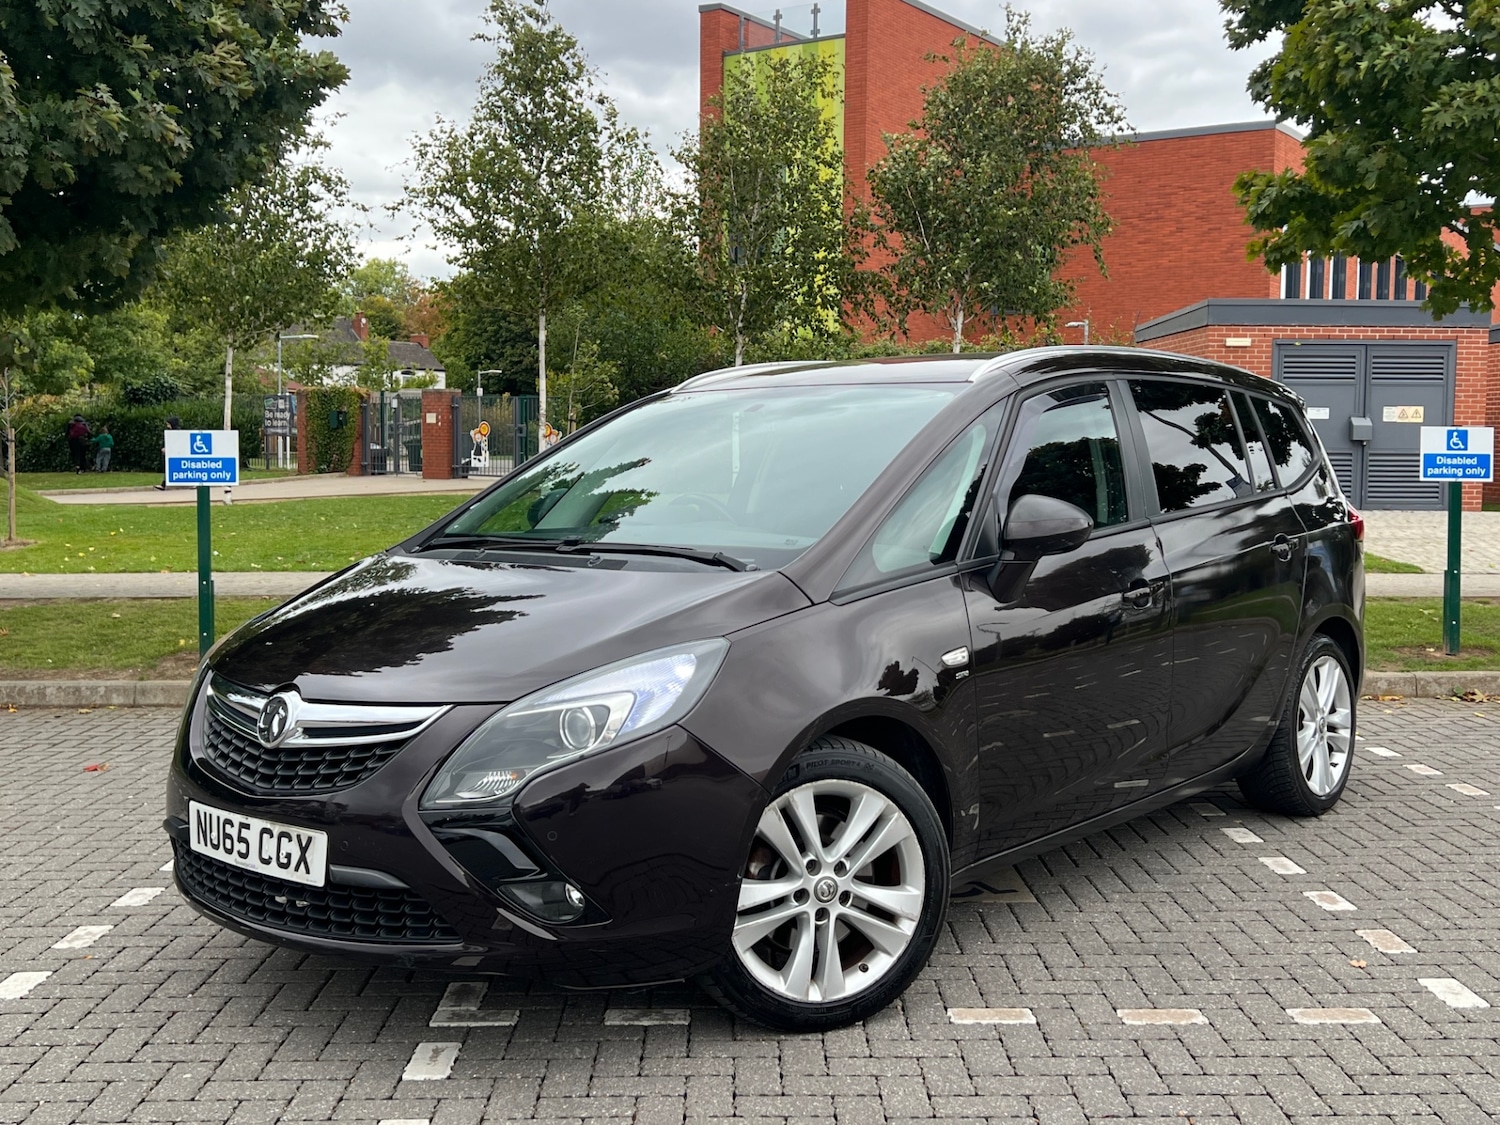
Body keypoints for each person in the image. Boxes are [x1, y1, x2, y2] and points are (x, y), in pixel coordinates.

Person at [155, 415, 181, 490]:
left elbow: (177, 443)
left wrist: (168, 449)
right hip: (170, 453)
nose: (167, 426)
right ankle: (164, 484)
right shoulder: (170, 432)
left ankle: (164, 484)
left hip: (176, 453)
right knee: (168, 468)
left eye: (168, 424)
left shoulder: (177, 433)